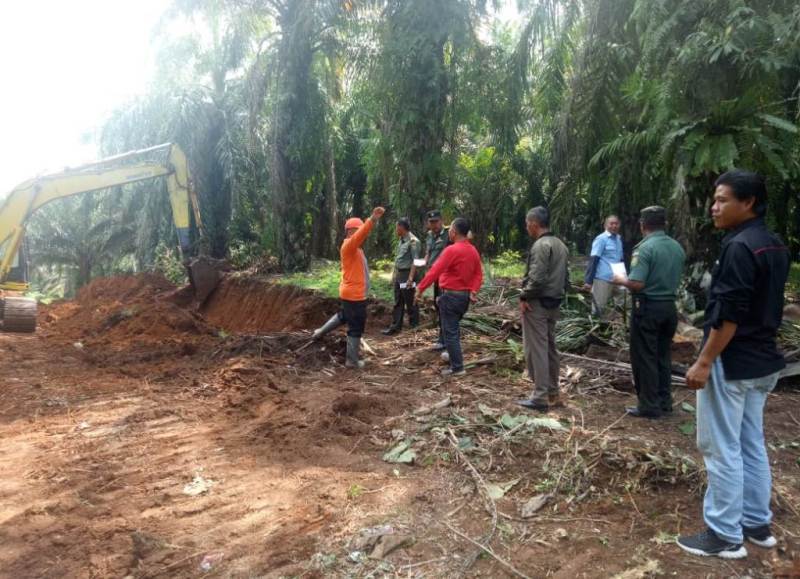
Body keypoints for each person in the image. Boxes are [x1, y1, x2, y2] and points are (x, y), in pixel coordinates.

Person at [677, 171, 790, 559]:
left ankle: (725, 535)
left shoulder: (739, 247)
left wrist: (705, 361)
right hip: (763, 360)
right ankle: (756, 524)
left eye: (723, 199)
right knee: (750, 442)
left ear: (749, 203)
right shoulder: (774, 245)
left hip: (734, 360)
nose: (714, 206)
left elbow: (731, 313)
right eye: (715, 199)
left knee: (721, 447)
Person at [612, 206, 685, 418]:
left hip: (647, 307)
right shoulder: (676, 247)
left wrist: (620, 280)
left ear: (643, 225)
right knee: (662, 356)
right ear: (665, 224)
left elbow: (637, 283)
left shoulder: (644, 249)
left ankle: (649, 405)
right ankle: (664, 401)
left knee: (645, 357)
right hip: (669, 308)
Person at [311, 206, 385, 368]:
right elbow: (361, 234)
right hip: (354, 295)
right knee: (356, 324)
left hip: (352, 293)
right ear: (352, 232)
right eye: (358, 231)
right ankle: (351, 361)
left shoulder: (356, 249)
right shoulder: (349, 246)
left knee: (344, 315)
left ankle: (320, 332)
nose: (363, 235)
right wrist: (372, 219)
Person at [516, 207, 570, 412]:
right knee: (550, 348)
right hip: (554, 302)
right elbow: (566, 278)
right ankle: (553, 392)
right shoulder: (560, 245)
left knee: (537, 349)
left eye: (527, 223)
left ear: (533, 223)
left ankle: (540, 396)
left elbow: (537, 278)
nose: (526, 227)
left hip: (537, 303)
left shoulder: (541, 245)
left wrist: (524, 295)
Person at [416, 218, 482, 377]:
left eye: (451, 229)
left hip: (451, 297)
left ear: (454, 232)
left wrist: (420, 288)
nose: (449, 232)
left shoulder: (452, 250)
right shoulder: (473, 250)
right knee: (453, 329)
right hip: (463, 298)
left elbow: (435, 271)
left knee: (450, 332)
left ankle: (458, 368)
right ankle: (452, 356)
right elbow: (478, 274)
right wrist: (473, 291)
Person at [382, 217, 421, 335]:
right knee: (398, 301)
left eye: (396, 227)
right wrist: (394, 276)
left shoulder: (414, 241)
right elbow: (399, 260)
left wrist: (410, 278)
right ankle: (395, 327)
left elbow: (416, 261)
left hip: (408, 274)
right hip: (400, 275)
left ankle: (414, 328)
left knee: (410, 301)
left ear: (402, 228)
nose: (395, 230)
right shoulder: (401, 240)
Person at [583, 215, 624, 318]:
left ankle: (617, 327)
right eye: (611, 223)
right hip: (603, 278)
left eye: (616, 223)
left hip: (619, 278)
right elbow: (594, 259)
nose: (614, 226)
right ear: (606, 225)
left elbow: (621, 259)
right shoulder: (601, 239)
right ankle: (595, 330)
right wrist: (588, 281)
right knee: (598, 307)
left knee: (624, 303)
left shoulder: (619, 239)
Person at [423, 210, 450, 350]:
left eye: (436, 222)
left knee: (444, 306)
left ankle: (445, 339)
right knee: (438, 305)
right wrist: (424, 263)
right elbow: (428, 252)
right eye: (431, 222)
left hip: (446, 276)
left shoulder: (449, 233)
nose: (433, 225)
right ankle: (443, 336)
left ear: (441, 220)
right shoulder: (429, 236)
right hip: (435, 276)